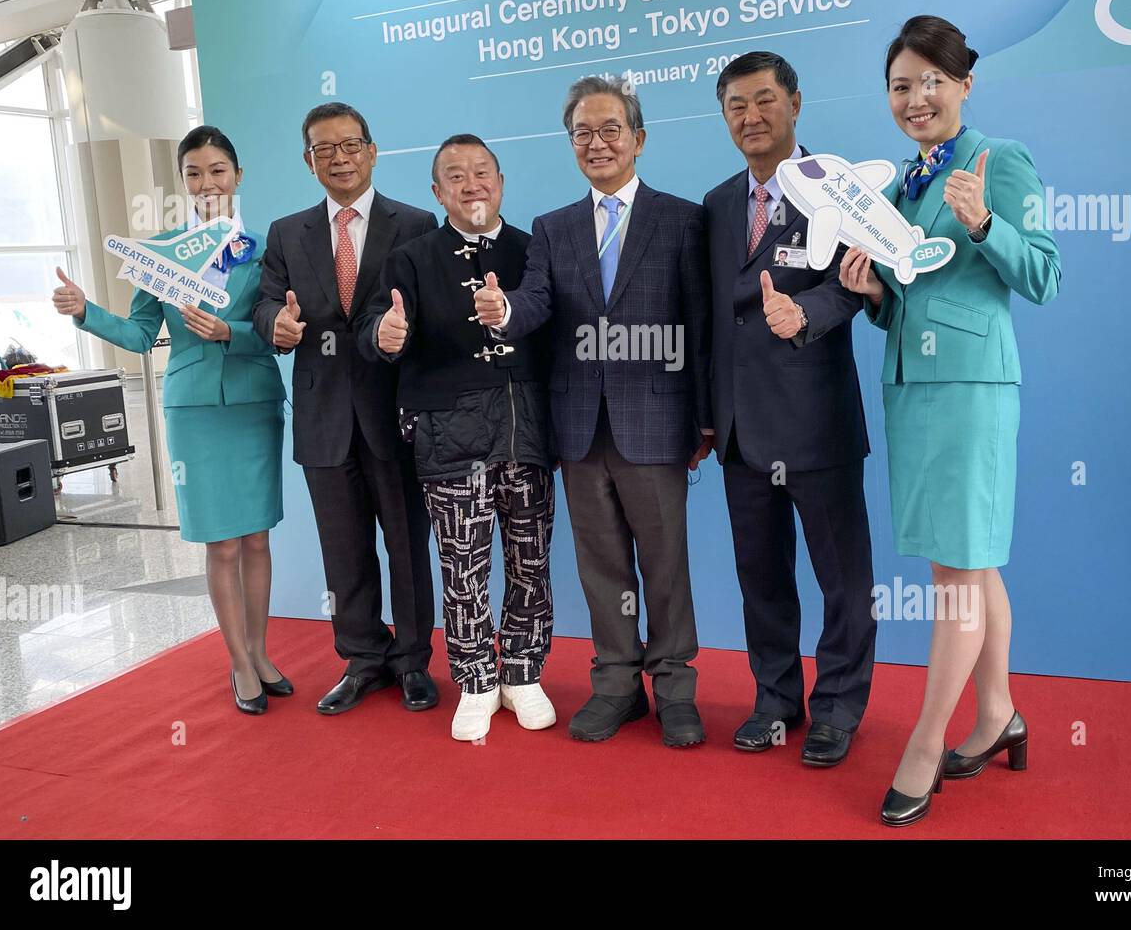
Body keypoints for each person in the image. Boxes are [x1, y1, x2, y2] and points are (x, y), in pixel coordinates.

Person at [840, 15, 1060, 825]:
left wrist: (984, 224)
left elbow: (1044, 274)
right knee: (964, 565)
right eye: (901, 85)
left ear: (966, 83)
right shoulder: (903, 182)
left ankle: (927, 742)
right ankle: (997, 710)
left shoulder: (999, 161)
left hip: (971, 386)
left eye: (932, 80)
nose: (916, 97)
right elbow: (910, 288)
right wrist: (873, 293)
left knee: (958, 575)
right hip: (912, 384)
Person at [475, 76, 712, 748]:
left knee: (665, 564)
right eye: (583, 132)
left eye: (611, 130)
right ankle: (616, 683)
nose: (598, 143)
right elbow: (537, 302)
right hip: (578, 426)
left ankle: (675, 688)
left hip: (659, 422)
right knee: (600, 564)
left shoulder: (682, 218)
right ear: (570, 143)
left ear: (638, 139)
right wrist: (504, 313)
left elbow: (697, 324)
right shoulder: (554, 228)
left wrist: (706, 417)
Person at [52, 126, 288, 715]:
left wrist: (229, 331)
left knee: (256, 538)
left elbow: (279, 336)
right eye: (194, 173)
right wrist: (86, 312)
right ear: (182, 182)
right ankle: (239, 665)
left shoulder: (268, 250)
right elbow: (138, 334)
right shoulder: (157, 254)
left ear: (238, 175)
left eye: (217, 171)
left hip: (255, 403)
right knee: (223, 546)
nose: (207, 183)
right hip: (192, 409)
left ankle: (260, 653)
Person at [356, 135, 558, 742]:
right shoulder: (411, 259)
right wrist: (384, 337)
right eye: (455, 176)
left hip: (526, 429)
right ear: (436, 192)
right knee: (462, 567)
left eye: (481, 172)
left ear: (501, 180)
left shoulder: (534, 249)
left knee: (531, 561)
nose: (471, 184)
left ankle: (522, 673)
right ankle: (474, 680)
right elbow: (377, 327)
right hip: (447, 434)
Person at [704, 51, 874, 767]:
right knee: (762, 577)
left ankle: (839, 705)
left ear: (796, 105)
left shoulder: (841, 191)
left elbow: (854, 284)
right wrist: (706, 418)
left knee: (844, 578)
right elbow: (709, 319)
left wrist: (801, 313)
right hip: (741, 432)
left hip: (816, 421)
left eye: (765, 100)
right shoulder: (715, 205)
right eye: (737, 105)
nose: (751, 116)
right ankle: (776, 697)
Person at [252, 102, 440, 717]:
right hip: (323, 415)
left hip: (395, 414)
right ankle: (363, 658)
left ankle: (413, 662)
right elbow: (262, 306)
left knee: (408, 545)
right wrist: (273, 324)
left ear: (372, 150)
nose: (339, 157)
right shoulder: (287, 233)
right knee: (344, 548)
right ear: (309, 162)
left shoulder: (414, 223)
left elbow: (429, 313)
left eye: (350, 145)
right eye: (324, 149)